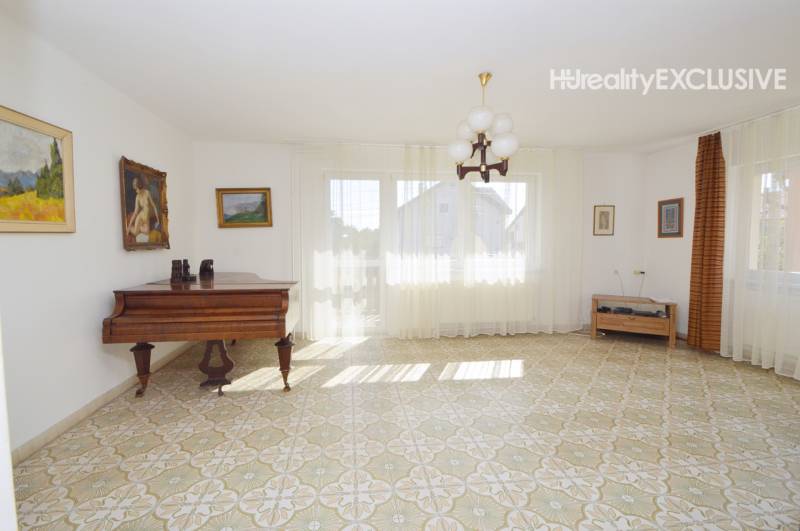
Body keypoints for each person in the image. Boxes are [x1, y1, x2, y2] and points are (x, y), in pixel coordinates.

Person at [127, 176, 159, 243]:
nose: (136, 191)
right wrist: (129, 225)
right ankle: (129, 228)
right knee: (135, 233)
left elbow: (154, 206)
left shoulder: (147, 193)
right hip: (140, 217)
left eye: (137, 189)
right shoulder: (137, 197)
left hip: (146, 218)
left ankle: (139, 227)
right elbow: (135, 212)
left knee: (147, 232)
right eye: (135, 190)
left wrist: (158, 219)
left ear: (139, 186)